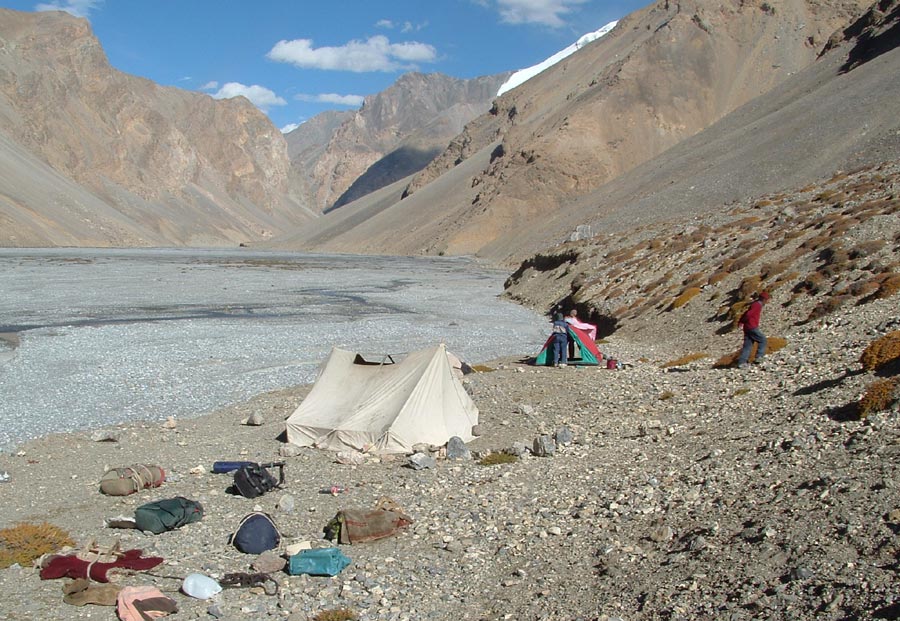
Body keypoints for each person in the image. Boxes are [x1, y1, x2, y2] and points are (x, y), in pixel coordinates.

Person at [737, 291, 769, 369]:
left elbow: (746, 313)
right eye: (767, 300)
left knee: (748, 345)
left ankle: (741, 362)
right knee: (763, 339)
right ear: (764, 299)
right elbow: (748, 314)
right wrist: (743, 321)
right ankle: (759, 357)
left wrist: (741, 322)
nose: (767, 301)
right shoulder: (757, 305)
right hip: (751, 326)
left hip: (747, 327)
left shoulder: (755, 304)